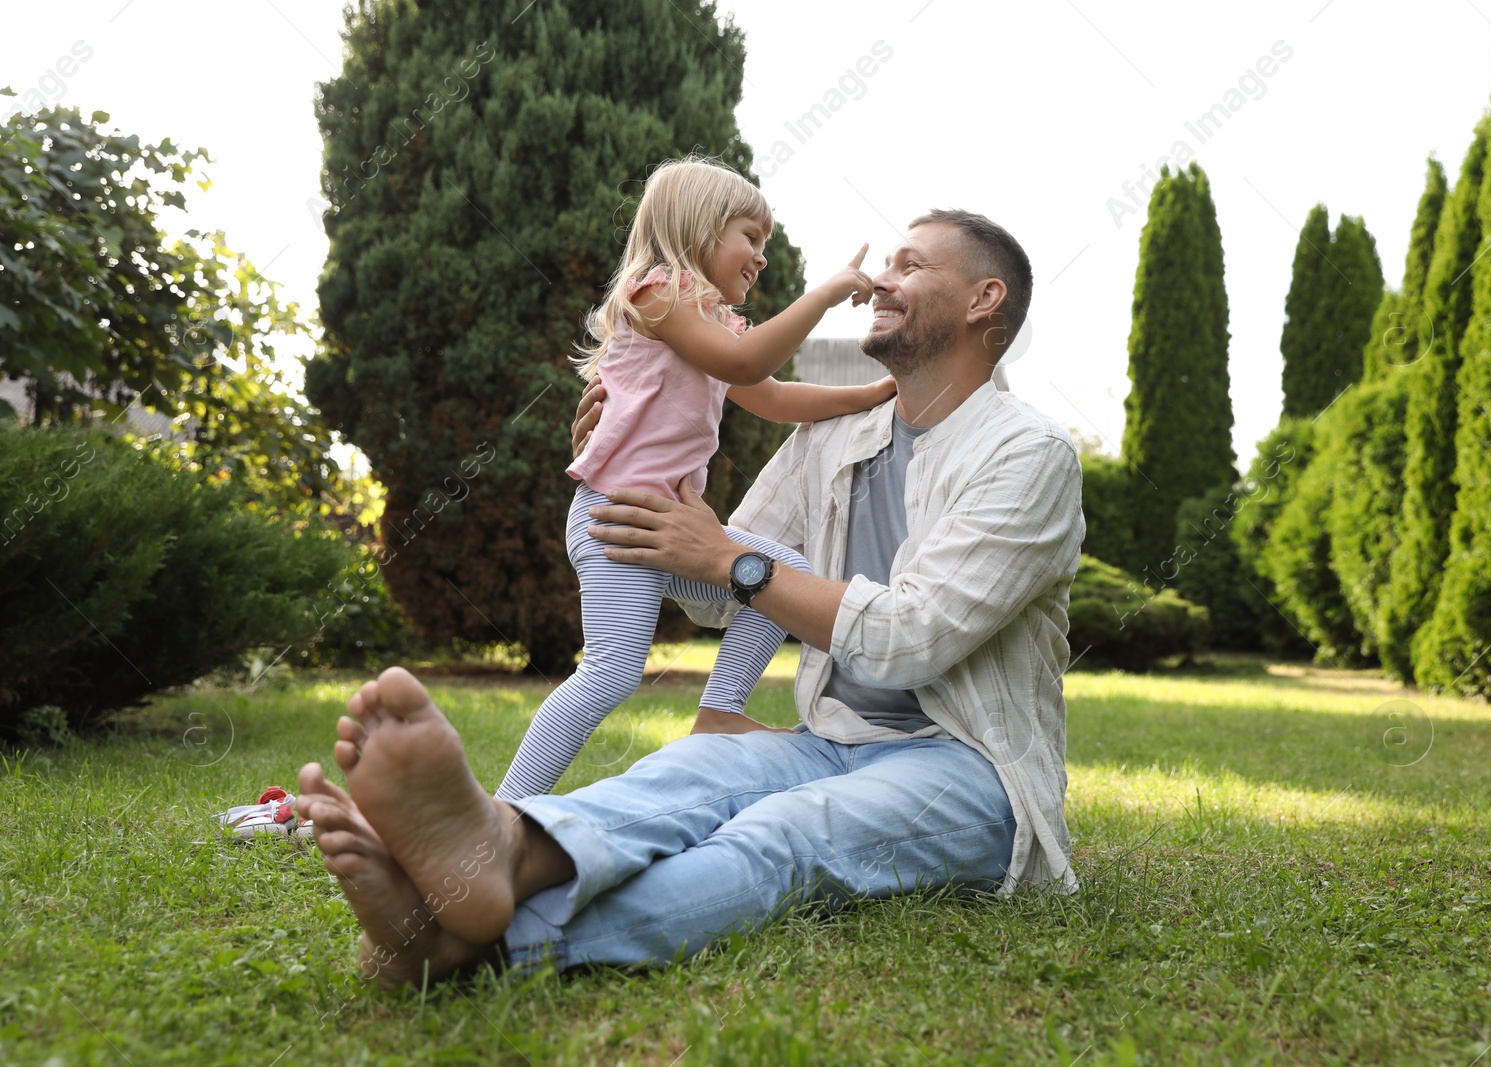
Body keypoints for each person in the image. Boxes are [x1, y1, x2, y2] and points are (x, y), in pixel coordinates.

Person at [296, 208, 1086, 983]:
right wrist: (623, 463)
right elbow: (715, 585)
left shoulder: (1028, 454)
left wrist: (732, 561)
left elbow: (911, 635)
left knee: (782, 833)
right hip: (831, 739)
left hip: (970, 765)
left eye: (911, 264)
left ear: (986, 299)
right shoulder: (835, 436)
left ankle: (474, 944)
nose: (882, 277)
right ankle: (495, 847)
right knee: (681, 779)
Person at [495, 156, 894, 799]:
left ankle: (718, 714)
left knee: (778, 573)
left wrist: (870, 392)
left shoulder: (713, 325)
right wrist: (821, 294)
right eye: (750, 238)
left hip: (667, 527)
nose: (760, 258)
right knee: (611, 672)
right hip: (616, 522)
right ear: (700, 228)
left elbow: (773, 397)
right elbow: (745, 363)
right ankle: (506, 806)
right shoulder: (657, 295)